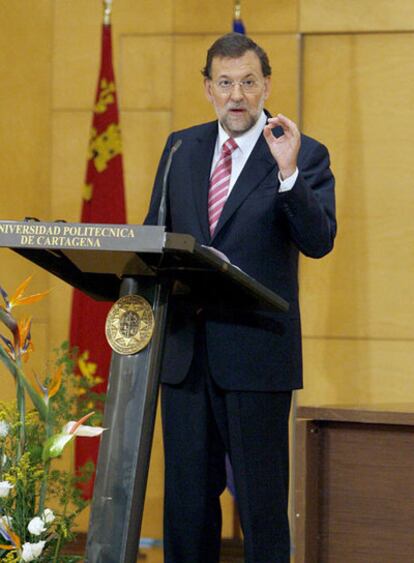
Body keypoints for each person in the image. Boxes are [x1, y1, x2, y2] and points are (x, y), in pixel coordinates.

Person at [145, 32, 336, 563]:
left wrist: (288, 172)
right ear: (208, 88)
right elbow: (152, 239)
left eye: (248, 83)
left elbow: (319, 241)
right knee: (186, 509)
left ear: (266, 85)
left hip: (256, 358)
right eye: (225, 83)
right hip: (184, 358)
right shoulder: (181, 148)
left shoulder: (303, 153)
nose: (237, 95)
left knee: (261, 509)